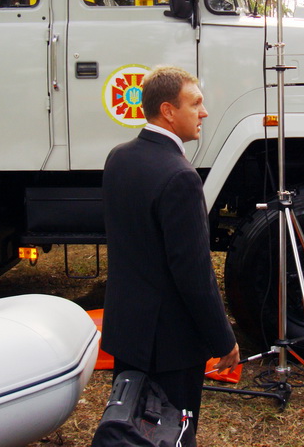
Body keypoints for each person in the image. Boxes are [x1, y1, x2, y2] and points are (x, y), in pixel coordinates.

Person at [101, 65, 240, 430]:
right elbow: (193, 273)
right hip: (170, 347)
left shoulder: (118, 158)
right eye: (195, 103)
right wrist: (224, 339)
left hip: (129, 337)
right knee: (169, 434)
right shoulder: (180, 176)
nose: (204, 112)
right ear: (167, 110)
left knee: (129, 429)